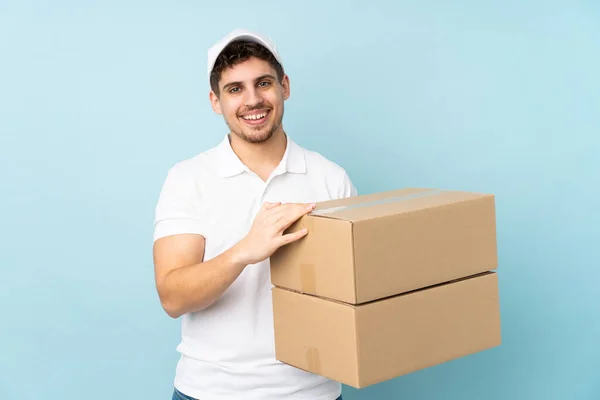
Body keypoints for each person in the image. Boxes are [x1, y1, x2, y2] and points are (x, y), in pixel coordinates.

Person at [152, 28, 356, 400]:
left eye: (263, 83)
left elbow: (354, 293)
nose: (253, 100)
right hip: (210, 391)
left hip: (311, 392)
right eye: (235, 89)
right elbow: (173, 297)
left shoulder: (331, 178)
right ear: (216, 101)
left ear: (285, 87)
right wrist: (245, 250)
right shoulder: (188, 179)